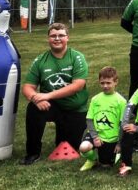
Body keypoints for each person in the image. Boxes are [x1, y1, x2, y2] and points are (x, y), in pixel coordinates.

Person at [21, 22, 90, 165]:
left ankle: (67, 134)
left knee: (69, 148)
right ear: (48, 39)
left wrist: (47, 95)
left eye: (61, 36)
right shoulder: (40, 60)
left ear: (67, 38)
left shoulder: (77, 57)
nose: (57, 39)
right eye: (53, 36)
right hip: (53, 107)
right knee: (33, 108)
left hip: (75, 108)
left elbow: (78, 85)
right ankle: (33, 152)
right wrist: (35, 98)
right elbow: (27, 86)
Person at [78, 66, 125, 172]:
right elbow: (89, 120)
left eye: (108, 83)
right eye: (102, 83)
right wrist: (95, 137)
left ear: (116, 82)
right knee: (84, 147)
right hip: (96, 134)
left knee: (106, 165)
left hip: (111, 137)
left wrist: (119, 143)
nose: (105, 86)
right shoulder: (95, 99)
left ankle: (115, 154)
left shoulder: (121, 101)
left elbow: (123, 123)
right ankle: (92, 159)